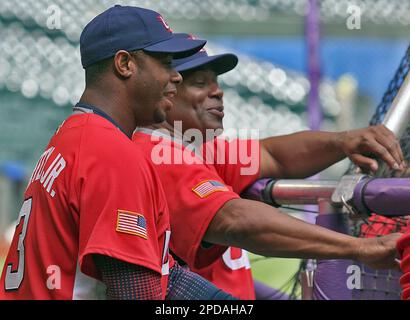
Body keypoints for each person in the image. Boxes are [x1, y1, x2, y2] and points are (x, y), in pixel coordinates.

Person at [132, 34, 405, 300]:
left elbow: (273, 154)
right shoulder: (158, 153)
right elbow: (235, 221)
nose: (217, 91)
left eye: (216, 82)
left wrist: (343, 141)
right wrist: (358, 247)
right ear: (166, 92)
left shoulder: (195, 147)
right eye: (200, 83)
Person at [0, 6, 234, 300]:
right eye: (164, 62)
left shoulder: (74, 133)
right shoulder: (111, 153)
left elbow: (165, 275)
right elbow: (138, 295)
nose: (176, 76)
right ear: (124, 64)